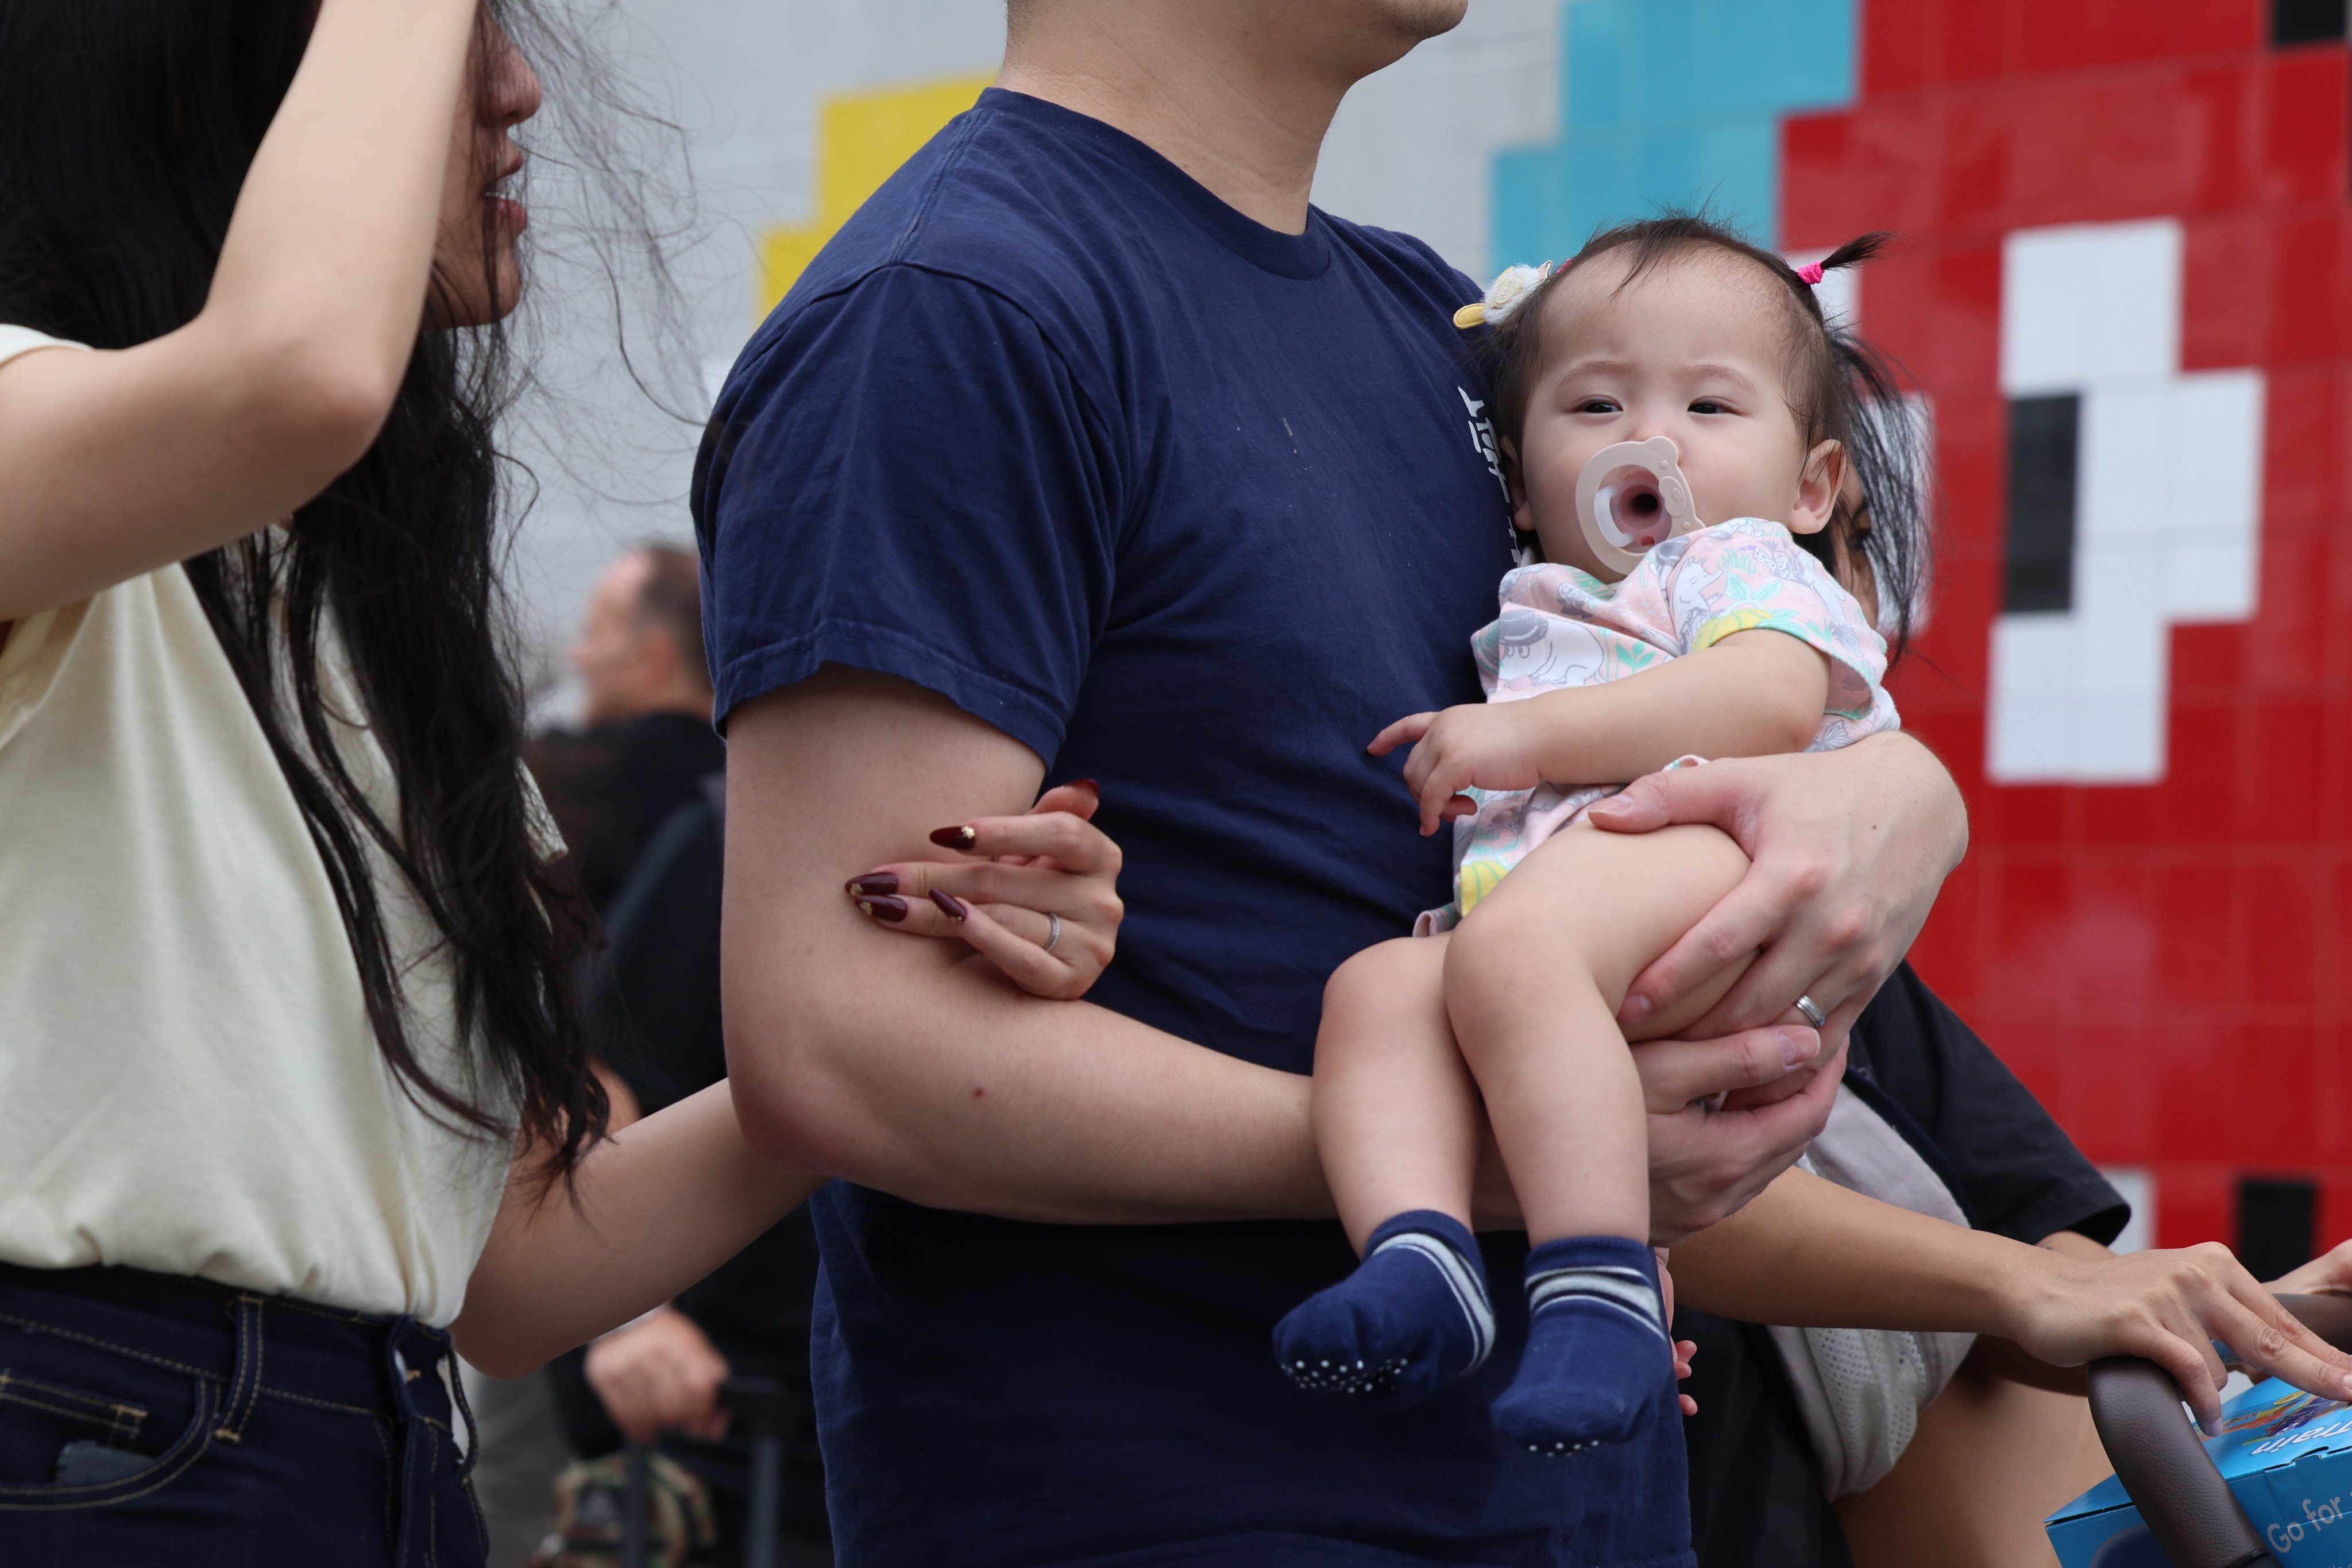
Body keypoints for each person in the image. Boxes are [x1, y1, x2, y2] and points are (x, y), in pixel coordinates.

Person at [693, 3, 1973, 1563]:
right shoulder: (954, 311)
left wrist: (1903, 801)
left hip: (1561, 1487)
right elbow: (838, 1047)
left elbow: (1770, 656)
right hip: (1189, 1494)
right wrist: (1488, 1168)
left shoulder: (1438, 323)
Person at [0, 5, 1118, 1560]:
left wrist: (895, 1009)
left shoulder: (351, 609)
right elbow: (300, 373)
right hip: (90, 1430)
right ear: (194, 77)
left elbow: (511, 1269)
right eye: (453, 33)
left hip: (372, 1457)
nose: (518, 91)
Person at [1273, 221, 1905, 1454]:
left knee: (1503, 963)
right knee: (1380, 991)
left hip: (1711, 843)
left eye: (1712, 405)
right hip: (1574, 904)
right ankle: (1421, 1252)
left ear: (1809, 485)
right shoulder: (1545, 598)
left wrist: (1522, 740)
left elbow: (1765, 700)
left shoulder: (1740, 565)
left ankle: (1598, 1284)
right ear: (1516, 480)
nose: (1647, 436)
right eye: (1596, 401)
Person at [527, 543, 725, 913]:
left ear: (650, 659)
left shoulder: (555, 780)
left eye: (593, 632)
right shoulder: (741, 795)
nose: (577, 657)